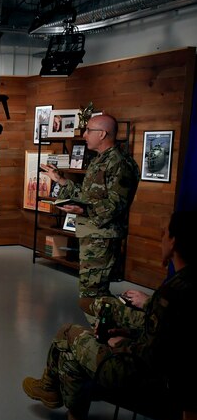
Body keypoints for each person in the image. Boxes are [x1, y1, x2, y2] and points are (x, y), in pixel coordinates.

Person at [22, 210, 195, 420]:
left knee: (67, 336)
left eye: (165, 232)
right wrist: (128, 333)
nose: (161, 237)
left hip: (148, 383)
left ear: (175, 241)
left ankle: (60, 405)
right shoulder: (187, 284)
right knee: (73, 354)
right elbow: (168, 340)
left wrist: (121, 343)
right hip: (178, 384)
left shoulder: (173, 294)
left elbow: (152, 357)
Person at [40, 114, 139, 315]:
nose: (84, 135)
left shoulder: (119, 163)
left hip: (103, 237)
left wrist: (83, 209)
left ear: (102, 134)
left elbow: (116, 203)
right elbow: (88, 195)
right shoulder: (99, 160)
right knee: (92, 293)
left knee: (92, 295)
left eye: (88, 131)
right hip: (92, 234)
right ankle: (110, 334)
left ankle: (121, 332)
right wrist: (60, 180)